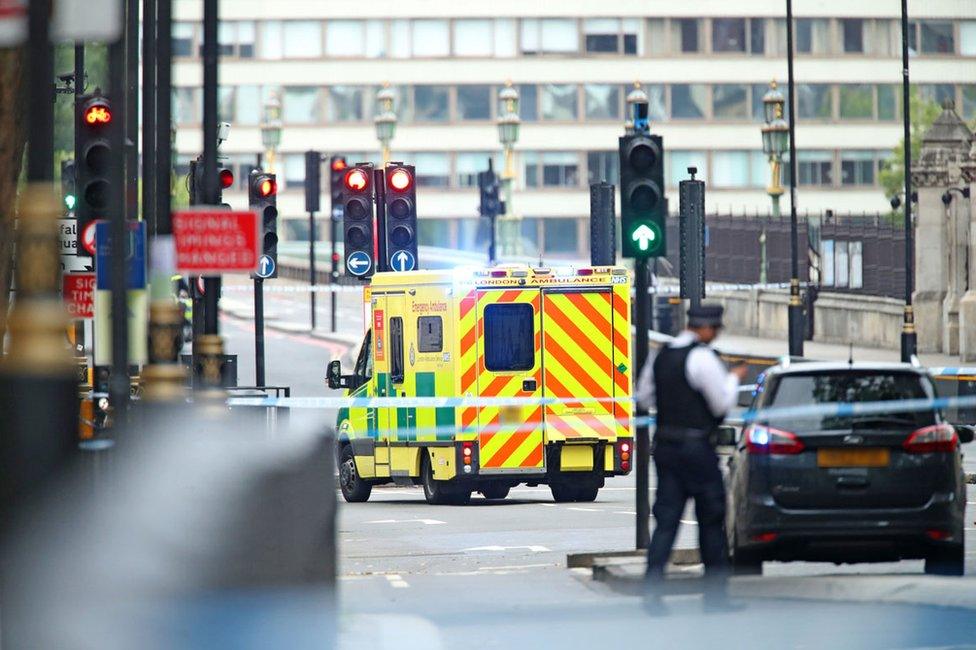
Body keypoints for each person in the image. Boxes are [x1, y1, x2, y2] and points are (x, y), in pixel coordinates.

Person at [635, 303, 748, 607]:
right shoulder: (702, 358)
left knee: (667, 521)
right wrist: (734, 378)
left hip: (667, 449)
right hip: (697, 450)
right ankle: (715, 598)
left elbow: (643, 397)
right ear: (707, 328)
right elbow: (721, 406)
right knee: (711, 521)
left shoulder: (662, 355)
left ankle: (652, 594)